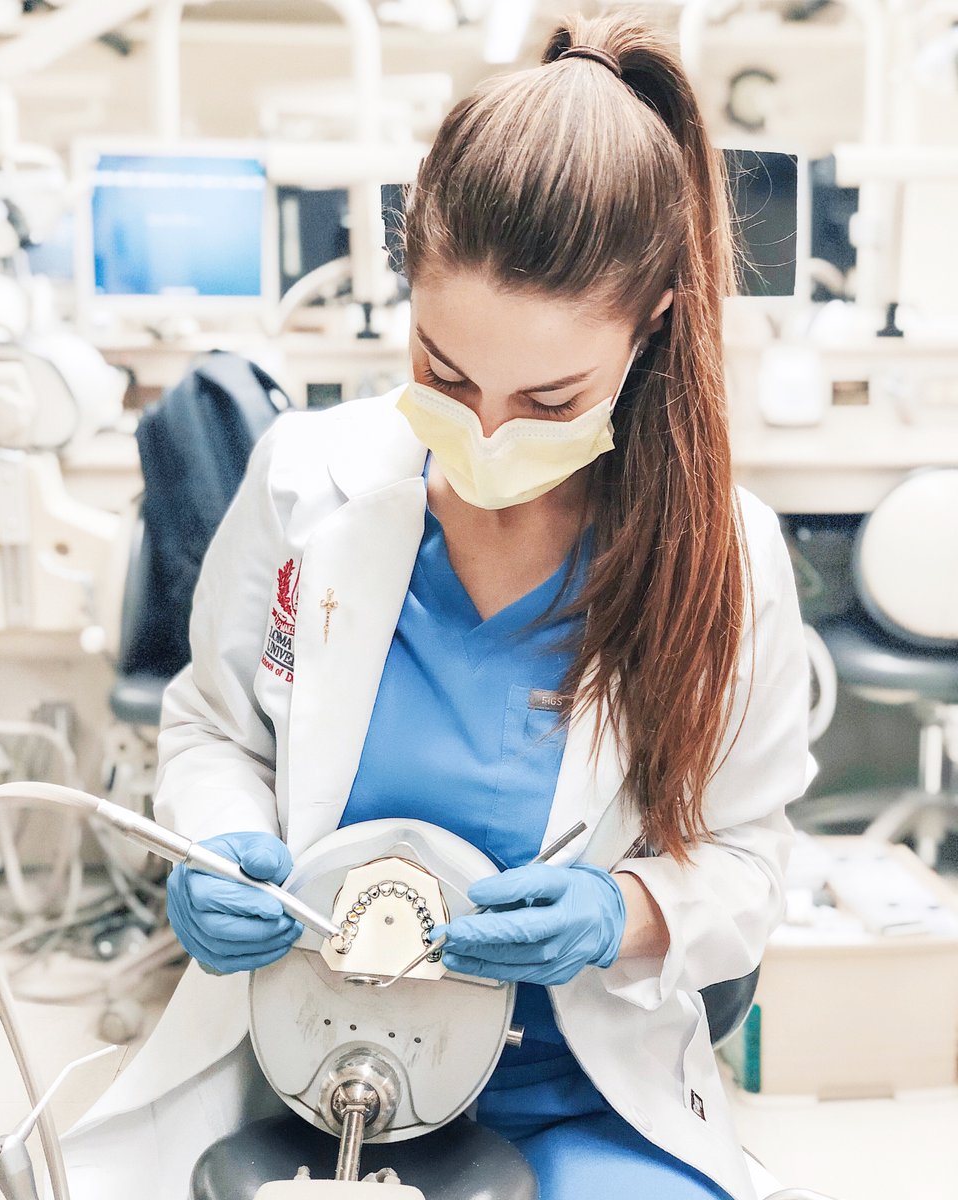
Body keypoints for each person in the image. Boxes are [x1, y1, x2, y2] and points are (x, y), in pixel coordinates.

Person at [153, 13, 810, 1200]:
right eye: (443, 374)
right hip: (301, 1067)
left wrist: (627, 913)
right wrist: (214, 842)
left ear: (654, 317)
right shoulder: (309, 483)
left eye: (550, 395)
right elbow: (212, 728)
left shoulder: (725, 563)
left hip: (581, 1099)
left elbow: (752, 861)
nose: (488, 434)